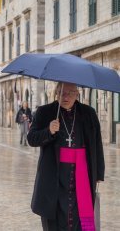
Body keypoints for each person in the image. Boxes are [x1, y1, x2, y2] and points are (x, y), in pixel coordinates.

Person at [27, 82, 105, 231]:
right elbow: (31, 139)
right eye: (62, 92)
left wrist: (99, 173)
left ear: (77, 93)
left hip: (82, 175)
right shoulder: (44, 112)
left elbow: (97, 144)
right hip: (54, 176)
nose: (65, 96)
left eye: (70, 93)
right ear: (56, 93)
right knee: (53, 218)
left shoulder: (89, 113)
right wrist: (48, 131)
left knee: (80, 218)